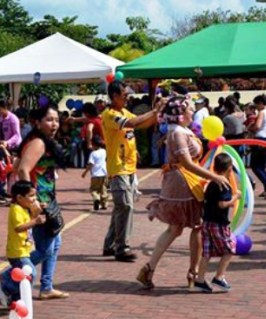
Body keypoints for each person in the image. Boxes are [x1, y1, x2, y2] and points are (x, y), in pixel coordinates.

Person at [138, 95, 229, 289]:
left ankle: (154, 269)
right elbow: (187, 162)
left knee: (179, 227)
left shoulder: (181, 131)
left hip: (185, 180)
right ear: (180, 114)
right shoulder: (177, 133)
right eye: (189, 109)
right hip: (182, 182)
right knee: (189, 226)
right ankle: (192, 273)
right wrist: (214, 177)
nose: (192, 112)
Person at [101, 81, 165, 262]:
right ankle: (122, 247)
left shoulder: (123, 111)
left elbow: (144, 123)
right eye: (124, 94)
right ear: (114, 96)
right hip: (118, 167)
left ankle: (110, 244)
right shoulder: (110, 114)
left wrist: (158, 110)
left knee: (120, 208)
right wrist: (154, 110)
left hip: (129, 168)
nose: (127, 97)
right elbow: (133, 122)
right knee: (126, 206)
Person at [16, 105, 69, 300]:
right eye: (49, 120)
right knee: (45, 248)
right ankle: (8, 275)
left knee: (54, 244)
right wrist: (32, 201)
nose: (54, 124)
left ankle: (46, 286)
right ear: (37, 123)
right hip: (40, 203)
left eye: (56, 120)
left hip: (48, 201)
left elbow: (17, 165)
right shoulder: (38, 142)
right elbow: (22, 170)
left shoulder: (40, 141)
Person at [194, 153, 239, 293]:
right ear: (230, 169)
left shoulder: (212, 184)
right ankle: (219, 276)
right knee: (230, 249)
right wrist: (235, 197)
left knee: (207, 252)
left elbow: (214, 202)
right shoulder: (224, 185)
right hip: (219, 224)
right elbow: (221, 204)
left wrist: (229, 202)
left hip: (207, 222)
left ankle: (200, 280)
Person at [0, 180, 43, 306]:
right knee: (30, 273)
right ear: (20, 197)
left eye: (35, 195)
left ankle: (16, 298)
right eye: (31, 196)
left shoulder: (24, 208)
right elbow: (19, 227)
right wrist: (36, 221)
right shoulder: (16, 209)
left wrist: (36, 211)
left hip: (25, 249)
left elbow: (28, 221)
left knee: (25, 270)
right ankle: (5, 283)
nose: (34, 199)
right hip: (17, 251)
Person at [0, 100, 22, 202]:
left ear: (6, 108)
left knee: (13, 173)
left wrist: (7, 142)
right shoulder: (0, 120)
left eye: (0, 109)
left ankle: (15, 196)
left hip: (14, 148)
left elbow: (17, 135)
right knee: (2, 171)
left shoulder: (13, 119)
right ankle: (4, 194)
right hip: (4, 149)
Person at [248, 94, 266, 199]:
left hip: (259, 140)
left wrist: (250, 128)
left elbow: (258, 126)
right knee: (262, 167)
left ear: (260, 104)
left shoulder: (262, 113)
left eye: (256, 105)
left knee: (255, 166)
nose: (256, 107)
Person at [82, 137, 108, 211]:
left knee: (93, 189)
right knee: (103, 189)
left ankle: (96, 198)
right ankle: (104, 204)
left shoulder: (93, 154)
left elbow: (90, 165)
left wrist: (85, 172)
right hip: (104, 173)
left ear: (94, 145)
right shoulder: (104, 151)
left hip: (95, 175)